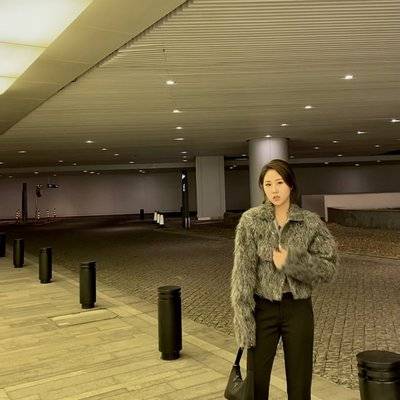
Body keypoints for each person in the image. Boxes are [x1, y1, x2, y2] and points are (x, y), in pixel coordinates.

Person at [230, 159, 338, 400]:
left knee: (300, 383)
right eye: (268, 184)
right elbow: (242, 275)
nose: (274, 190)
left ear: (290, 184)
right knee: (256, 383)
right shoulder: (251, 221)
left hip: (298, 309)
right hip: (261, 310)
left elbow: (329, 268)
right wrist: (244, 319)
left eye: (279, 182)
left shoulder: (310, 222)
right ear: (262, 188)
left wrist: (293, 262)